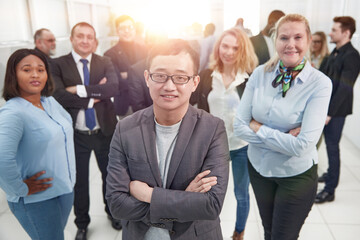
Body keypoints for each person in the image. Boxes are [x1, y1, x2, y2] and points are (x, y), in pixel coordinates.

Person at [106, 39, 230, 240]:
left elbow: (210, 205)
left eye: (180, 77)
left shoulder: (212, 129)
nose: (169, 86)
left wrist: (148, 195)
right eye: (160, 76)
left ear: (194, 83)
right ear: (147, 78)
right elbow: (116, 204)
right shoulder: (125, 128)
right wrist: (184, 201)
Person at [234, 14, 332, 239]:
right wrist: (283, 137)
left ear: (307, 40)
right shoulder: (260, 74)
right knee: (269, 232)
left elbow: (303, 146)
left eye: (298, 37)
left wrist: (258, 127)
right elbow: (239, 127)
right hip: (259, 170)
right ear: (275, 41)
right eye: (284, 37)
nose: (291, 44)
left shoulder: (320, 84)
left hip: (295, 176)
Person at [51, 22, 120, 240]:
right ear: (71, 39)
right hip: (76, 134)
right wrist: (94, 98)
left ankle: (112, 212)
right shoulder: (57, 64)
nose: (85, 40)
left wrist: (79, 91)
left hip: (104, 131)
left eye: (90, 37)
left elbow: (113, 88)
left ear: (95, 40)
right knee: (79, 182)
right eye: (80, 36)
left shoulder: (105, 61)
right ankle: (82, 224)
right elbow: (58, 95)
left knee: (110, 177)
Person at [0, 49, 75, 239]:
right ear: (13, 75)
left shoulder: (49, 102)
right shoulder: (13, 113)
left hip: (63, 189)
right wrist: (20, 188)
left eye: (41, 69)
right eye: (27, 69)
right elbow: (2, 158)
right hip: (37, 199)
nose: (35, 74)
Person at [191, 27, 258, 240]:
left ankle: (239, 233)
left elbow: (258, 114)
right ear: (218, 47)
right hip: (213, 147)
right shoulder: (206, 76)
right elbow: (196, 110)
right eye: (225, 46)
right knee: (209, 193)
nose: (229, 52)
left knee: (241, 193)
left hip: (240, 146)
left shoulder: (250, 80)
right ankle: (207, 232)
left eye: (235, 48)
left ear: (243, 51)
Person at [315, 16, 360, 204]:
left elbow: (344, 88)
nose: (330, 33)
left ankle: (330, 189)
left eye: (334, 30)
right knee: (325, 145)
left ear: (346, 33)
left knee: (332, 148)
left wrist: (329, 113)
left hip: (336, 111)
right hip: (326, 109)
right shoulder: (335, 52)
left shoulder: (352, 55)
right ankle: (329, 174)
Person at [104, 15, 147, 116]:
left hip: (146, 102)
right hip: (125, 105)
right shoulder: (109, 54)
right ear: (117, 31)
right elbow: (116, 81)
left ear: (134, 29)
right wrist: (139, 75)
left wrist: (127, 74)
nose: (127, 31)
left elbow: (151, 74)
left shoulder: (145, 50)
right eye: (123, 28)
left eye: (130, 27)